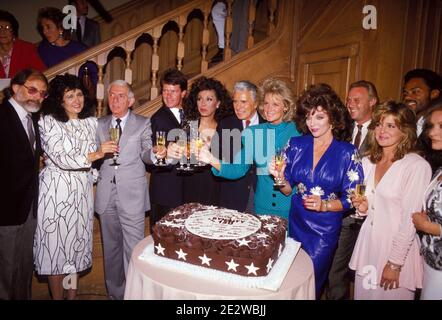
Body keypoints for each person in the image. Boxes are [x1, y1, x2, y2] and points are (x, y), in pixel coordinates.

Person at [268, 83, 363, 299]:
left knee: (312, 278)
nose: (312, 123)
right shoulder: (295, 144)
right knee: (290, 277)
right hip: (296, 222)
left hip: (325, 229)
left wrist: (325, 205)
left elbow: (353, 197)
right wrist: (279, 176)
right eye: (309, 117)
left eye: (319, 117)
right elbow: (286, 190)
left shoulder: (348, 152)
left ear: (332, 117)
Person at [34, 74, 116, 300]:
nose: (76, 100)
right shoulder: (48, 121)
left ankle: (72, 297)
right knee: (55, 250)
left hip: (81, 192)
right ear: (60, 100)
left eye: (79, 94)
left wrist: (94, 172)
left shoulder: (91, 122)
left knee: (75, 249)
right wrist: (97, 153)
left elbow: (93, 164)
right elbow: (61, 157)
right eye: (70, 96)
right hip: (56, 191)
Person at [349, 101, 432, 300]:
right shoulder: (369, 160)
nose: (382, 131)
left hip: (396, 250)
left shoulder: (416, 166)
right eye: (378, 124)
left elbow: (409, 220)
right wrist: (363, 207)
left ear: (405, 131)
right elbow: (375, 207)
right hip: (368, 246)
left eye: (390, 125)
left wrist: (395, 263)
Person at [199, 78, 301, 218]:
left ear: (286, 106)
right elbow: (237, 169)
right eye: (266, 103)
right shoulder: (253, 133)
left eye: (275, 104)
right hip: (262, 208)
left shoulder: (298, 133)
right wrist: (211, 159)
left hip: (290, 208)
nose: (268, 109)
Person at [95, 80, 153, 300]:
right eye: (111, 95)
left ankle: (134, 294)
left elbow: (146, 152)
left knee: (134, 250)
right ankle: (115, 294)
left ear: (130, 100)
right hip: (105, 195)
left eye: (120, 96)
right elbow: (92, 155)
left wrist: (156, 154)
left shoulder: (142, 123)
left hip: (133, 196)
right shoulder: (99, 124)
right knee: (110, 251)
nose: (115, 100)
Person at [327, 80, 379, 300]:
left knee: (367, 273)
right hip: (344, 212)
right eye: (348, 100)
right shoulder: (340, 129)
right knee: (335, 272)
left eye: (357, 99)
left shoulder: (383, 130)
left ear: (373, 102)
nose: (350, 104)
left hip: (375, 216)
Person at [0, 69, 47, 300]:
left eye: (42, 93)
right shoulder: (2, 116)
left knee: (23, 269)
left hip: (29, 208)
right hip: (5, 211)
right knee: (4, 273)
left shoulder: (33, 119)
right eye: (32, 90)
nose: (37, 96)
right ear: (16, 88)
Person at [169, 76, 234, 206]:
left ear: (218, 103)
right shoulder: (189, 126)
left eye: (209, 99)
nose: (203, 104)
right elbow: (179, 161)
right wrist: (174, 150)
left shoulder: (225, 128)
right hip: (190, 186)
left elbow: (228, 162)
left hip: (216, 187)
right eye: (199, 99)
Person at [217, 80, 265, 212]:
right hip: (233, 194)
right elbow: (225, 160)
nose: (238, 107)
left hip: (260, 194)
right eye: (235, 101)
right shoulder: (226, 125)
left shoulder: (267, 125)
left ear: (255, 103)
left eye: (243, 102)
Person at [149, 69, 187, 231]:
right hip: (165, 190)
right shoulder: (157, 118)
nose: (168, 95)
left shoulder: (193, 115)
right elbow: (154, 157)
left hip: (188, 189)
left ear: (183, 93)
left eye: (173, 91)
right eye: (165, 91)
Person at [412, 99, 442, 300]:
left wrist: (428, 227)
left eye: (441, 127)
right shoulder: (438, 169)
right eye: (431, 126)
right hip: (431, 262)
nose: (432, 132)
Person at [0, 10, 45, 79]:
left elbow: (42, 73)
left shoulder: (27, 48)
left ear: (13, 31)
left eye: (7, 27)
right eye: (0, 27)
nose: (2, 31)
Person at [402, 68, 442, 136]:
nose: (407, 97)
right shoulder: (405, 122)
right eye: (406, 93)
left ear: (434, 94)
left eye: (415, 92)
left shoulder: (438, 126)